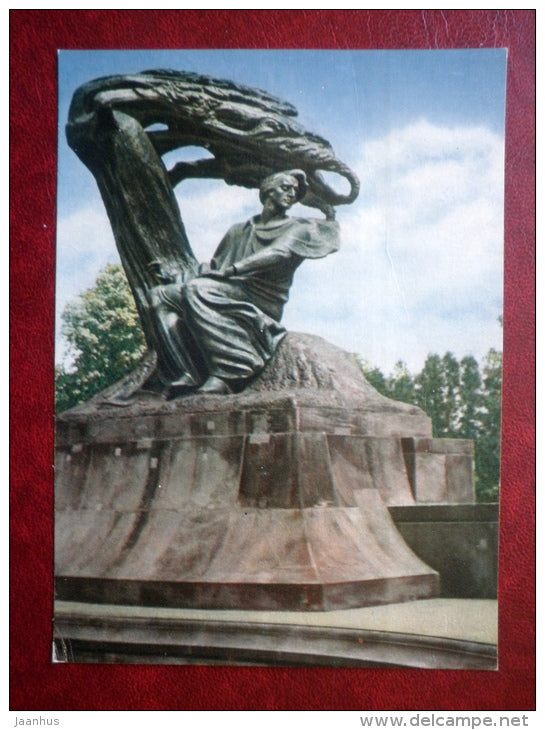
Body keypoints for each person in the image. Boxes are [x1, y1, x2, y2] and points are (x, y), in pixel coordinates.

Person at [148, 169, 340, 396]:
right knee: (159, 295)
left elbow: (279, 252)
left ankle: (229, 372)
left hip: (261, 297)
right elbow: (215, 267)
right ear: (268, 191)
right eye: (285, 188)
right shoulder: (238, 231)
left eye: (295, 191)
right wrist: (172, 276)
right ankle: (186, 372)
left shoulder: (298, 228)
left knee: (197, 290)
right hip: (229, 288)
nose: (291, 194)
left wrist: (234, 270)